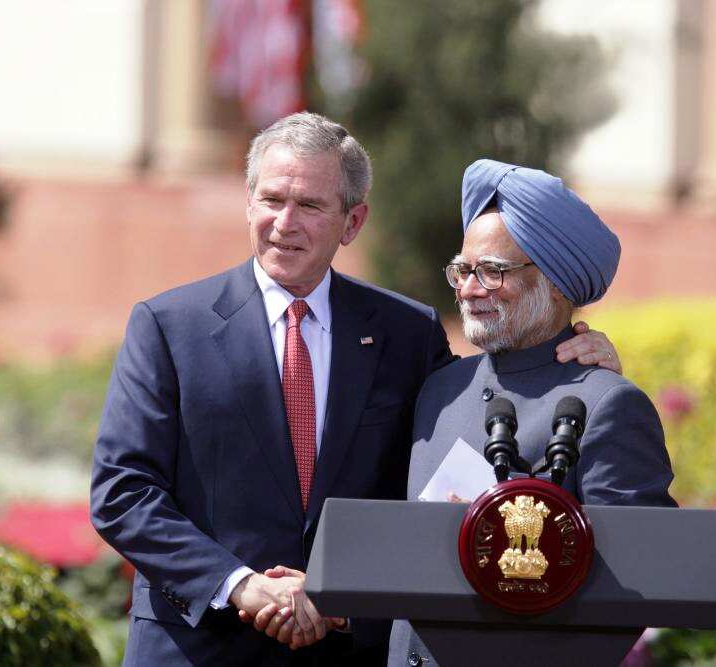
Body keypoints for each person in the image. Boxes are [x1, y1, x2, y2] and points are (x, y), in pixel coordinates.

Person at [90, 115, 619, 666]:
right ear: (248, 203)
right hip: (194, 647)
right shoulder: (169, 327)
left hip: (345, 649)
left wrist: (579, 374)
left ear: (352, 221)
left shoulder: (407, 335)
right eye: (271, 199)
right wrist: (240, 584)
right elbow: (123, 492)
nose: (284, 223)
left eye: (309, 205)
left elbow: (481, 423)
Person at [388, 158, 677, 667]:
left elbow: (638, 582)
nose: (469, 289)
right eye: (463, 270)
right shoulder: (440, 388)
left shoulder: (607, 404)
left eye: (492, 272)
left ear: (556, 283)